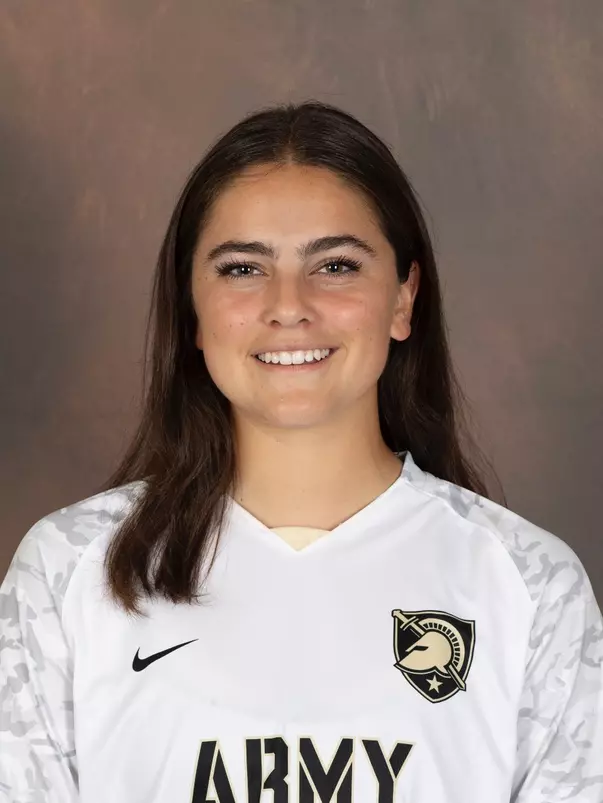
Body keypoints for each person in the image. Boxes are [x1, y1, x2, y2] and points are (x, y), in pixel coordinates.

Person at [0, 100, 601, 803]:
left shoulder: (529, 588)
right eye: (242, 269)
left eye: (336, 264)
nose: (289, 305)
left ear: (404, 298)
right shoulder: (69, 574)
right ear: (191, 309)